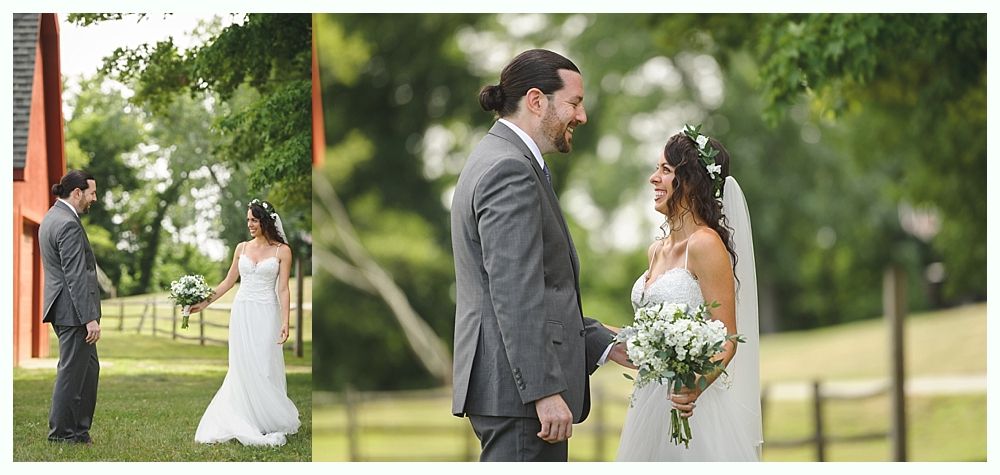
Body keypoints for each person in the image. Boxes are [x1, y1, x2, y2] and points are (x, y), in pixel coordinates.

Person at [450, 49, 631, 462]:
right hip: (522, 399)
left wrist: (600, 343)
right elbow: (516, 293)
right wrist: (544, 391)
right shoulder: (508, 169)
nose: (581, 116)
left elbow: (535, 288)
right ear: (536, 100)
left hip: (513, 394)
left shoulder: (498, 158)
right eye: (574, 102)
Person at [615, 126, 762, 461]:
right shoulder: (656, 250)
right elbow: (644, 335)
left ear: (692, 181)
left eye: (666, 170)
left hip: (694, 408)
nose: (653, 178)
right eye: (657, 169)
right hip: (648, 403)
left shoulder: (705, 244)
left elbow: (727, 337)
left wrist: (693, 384)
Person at [189, 199, 300, 446]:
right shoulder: (241, 248)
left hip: (267, 313)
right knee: (241, 365)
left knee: (263, 364)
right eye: (248, 219)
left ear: (265, 221)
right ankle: (243, 415)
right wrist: (203, 303)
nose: (249, 224)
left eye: (253, 219)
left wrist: (285, 322)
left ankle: (265, 418)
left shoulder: (282, 251)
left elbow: (283, 290)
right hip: (242, 312)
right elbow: (227, 282)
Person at [40, 170, 101, 444]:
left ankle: (78, 430)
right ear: (77, 193)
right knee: (70, 373)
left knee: (88, 370)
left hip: (65, 307)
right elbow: (75, 275)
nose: (94, 199)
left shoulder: (51, 218)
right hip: (74, 311)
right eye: (92, 193)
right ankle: (62, 434)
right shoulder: (67, 224)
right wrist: (89, 318)